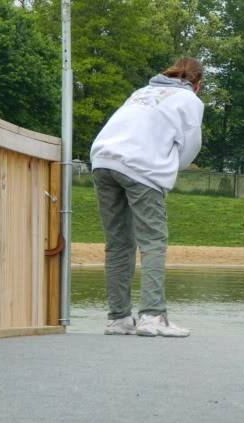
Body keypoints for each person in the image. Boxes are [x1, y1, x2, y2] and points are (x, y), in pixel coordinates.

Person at [90, 58, 204, 338]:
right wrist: (167, 168)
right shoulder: (190, 100)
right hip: (142, 167)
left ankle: (118, 319)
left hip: (103, 160)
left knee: (118, 244)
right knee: (152, 242)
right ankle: (152, 316)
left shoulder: (141, 92)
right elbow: (189, 149)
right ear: (197, 84)